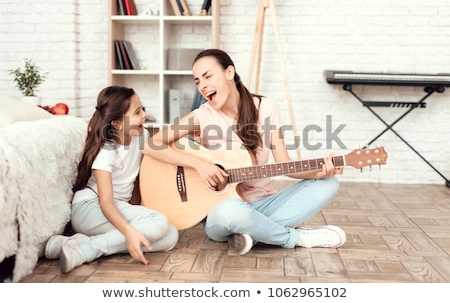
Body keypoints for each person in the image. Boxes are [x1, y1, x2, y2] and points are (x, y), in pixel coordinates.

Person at [144, 49, 346, 256]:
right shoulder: (202, 116)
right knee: (231, 211)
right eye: (197, 81)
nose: (202, 86)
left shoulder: (266, 108)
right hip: (223, 212)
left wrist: (319, 173)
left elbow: (285, 164)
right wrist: (200, 164)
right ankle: (295, 238)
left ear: (229, 73)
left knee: (328, 184)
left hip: (264, 203)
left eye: (208, 76)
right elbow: (151, 145)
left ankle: (252, 233)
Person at [44, 86, 178, 273]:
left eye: (143, 109)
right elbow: (106, 202)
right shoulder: (108, 151)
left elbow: (139, 178)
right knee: (158, 221)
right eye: (137, 112)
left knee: (170, 236)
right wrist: (129, 232)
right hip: (90, 209)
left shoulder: (142, 136)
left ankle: (72, 243)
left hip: (114, 210)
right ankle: (86, 250)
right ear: (117, 123)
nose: (144, 116)